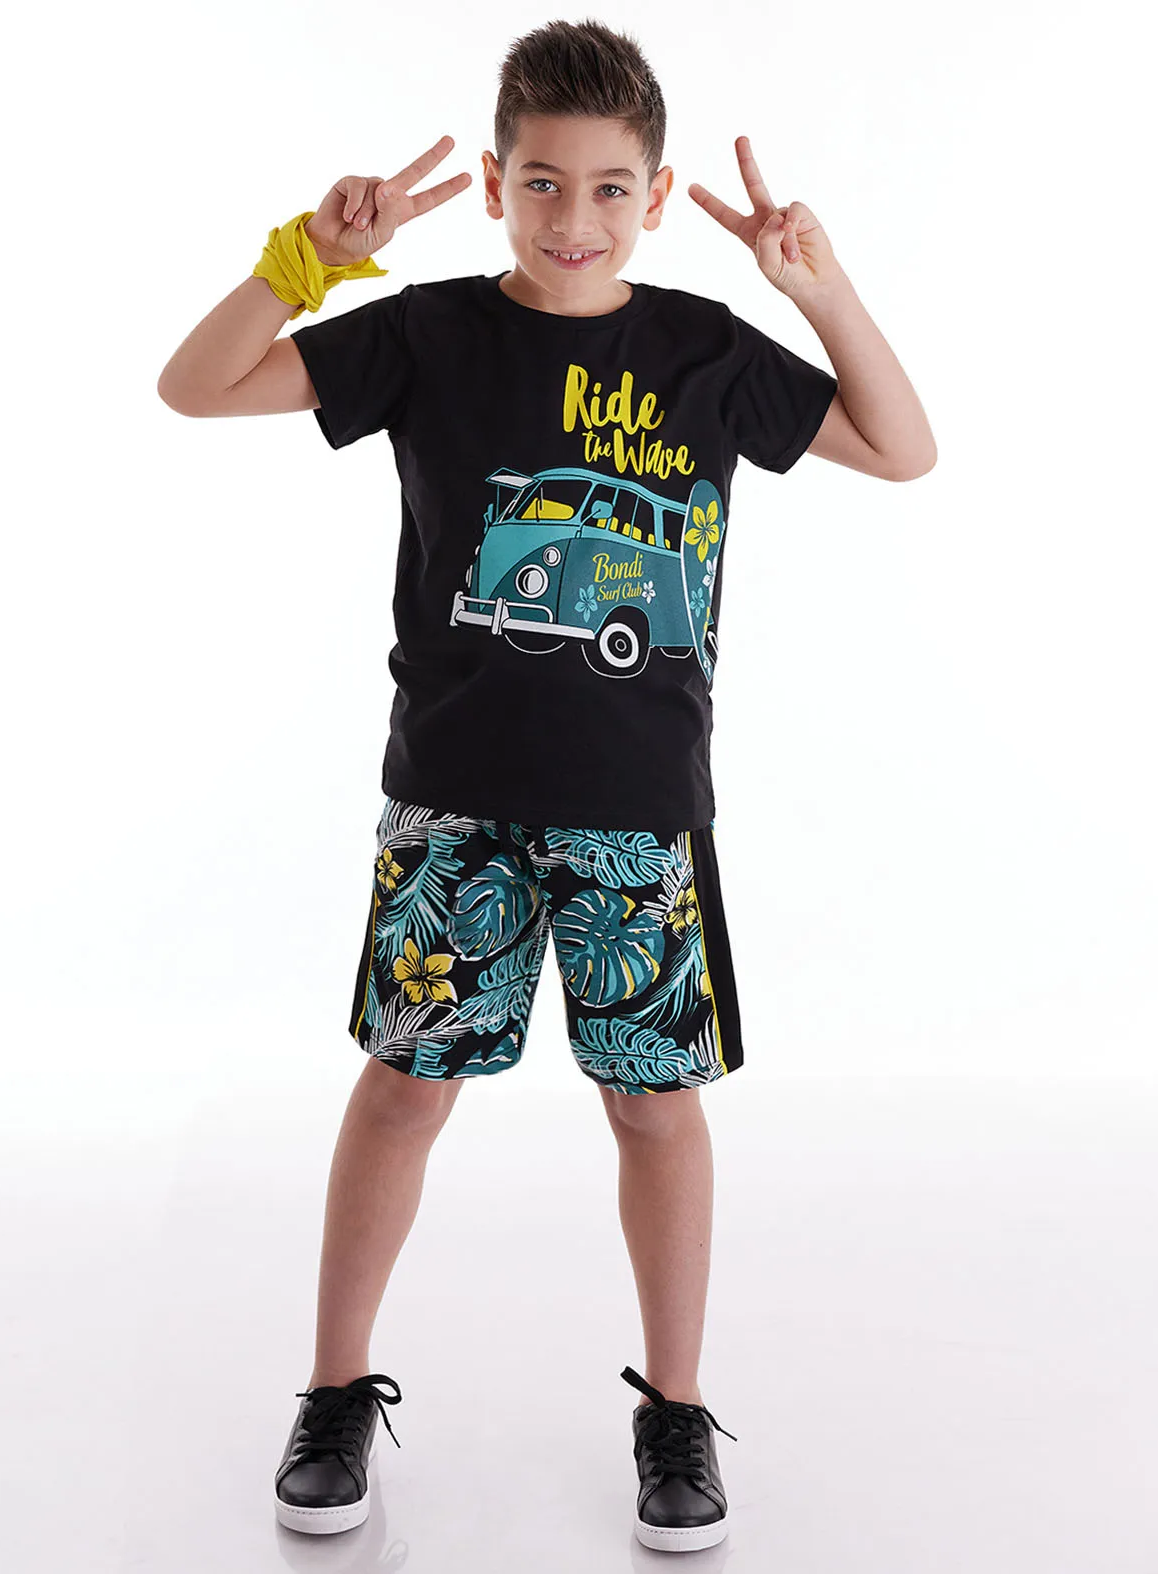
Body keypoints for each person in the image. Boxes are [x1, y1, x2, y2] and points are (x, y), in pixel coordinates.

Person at [157, 16, 935, 1554]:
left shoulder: (706, 353)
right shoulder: (430, 335)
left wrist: (819, 287)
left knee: (654, 1104)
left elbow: (903, 448)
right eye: (542, 183)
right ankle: (334, 1388)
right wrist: (308, 259)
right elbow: (196, 385)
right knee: (404, 1086)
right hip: (454, 797)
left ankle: (675, 1408)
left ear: (656, 196)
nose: (574, 218)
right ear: (496, 181)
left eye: (609, 188)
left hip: (640, 809)